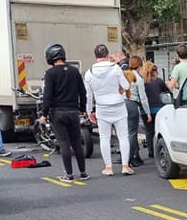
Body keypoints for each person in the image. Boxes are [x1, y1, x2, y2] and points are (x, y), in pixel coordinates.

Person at [40, 43, 89, 182]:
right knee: (76, 142)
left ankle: (69, 174)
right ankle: (83, 173)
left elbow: (47, 95)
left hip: (58, 113)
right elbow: (82, 92)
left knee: (64, 144)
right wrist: (82, 109)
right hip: (73, 111)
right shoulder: (74, 71)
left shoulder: (50, 73)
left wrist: (44, 113)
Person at [84, 44, 132, 176]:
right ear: (107, 55)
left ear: (95, 56)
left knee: (104, 138)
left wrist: (89, 111)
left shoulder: (89, 73)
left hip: (102, 108)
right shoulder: (116, 68)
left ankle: (108, 167)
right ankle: (125, 166)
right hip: (118, 106)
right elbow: (125, 86)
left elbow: (88, 96)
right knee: (123, 136)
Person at [119, 54, 151, 167]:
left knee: (124, 133)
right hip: (132, 104)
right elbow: (143, 98)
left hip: (121, 104)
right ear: (139, 66)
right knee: (132, 133)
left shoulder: (124, 75)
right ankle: (129, 158)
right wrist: (147, 112)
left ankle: (128, 157)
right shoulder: (138, 78)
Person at [141, 60, 170, 159]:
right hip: (158, 109)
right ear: (154, 71)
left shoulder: (142, 82)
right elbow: (167, 92)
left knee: (149, 132)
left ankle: (150, 151)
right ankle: (160, 150)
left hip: (145, 111)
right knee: (159, 130)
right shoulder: (159, 81)